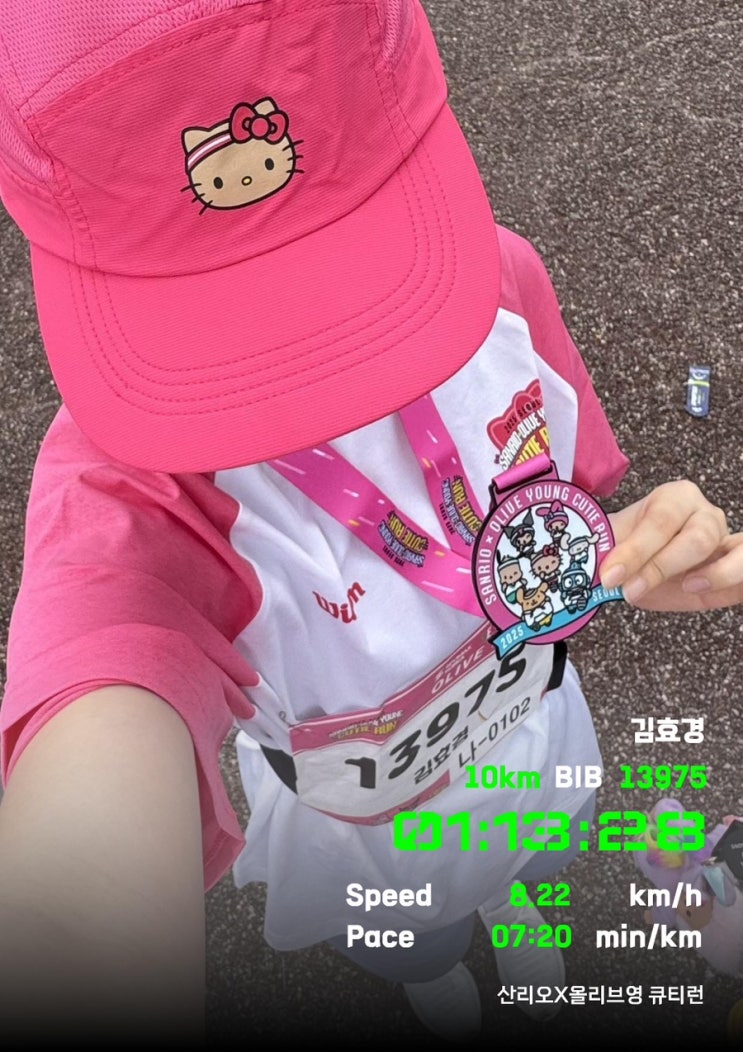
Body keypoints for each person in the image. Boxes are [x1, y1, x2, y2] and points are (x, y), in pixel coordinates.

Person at [0, 0, 742, 1044]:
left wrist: (628, 557)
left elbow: (561, 501)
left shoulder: (498, 285)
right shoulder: (129, 487)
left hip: (530, 747)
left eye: (342, 264)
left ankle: (501, 905)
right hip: (369, 845)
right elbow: (81, 846)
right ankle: (432, 972)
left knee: (524, 859)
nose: (314, 358)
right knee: (414, 943)